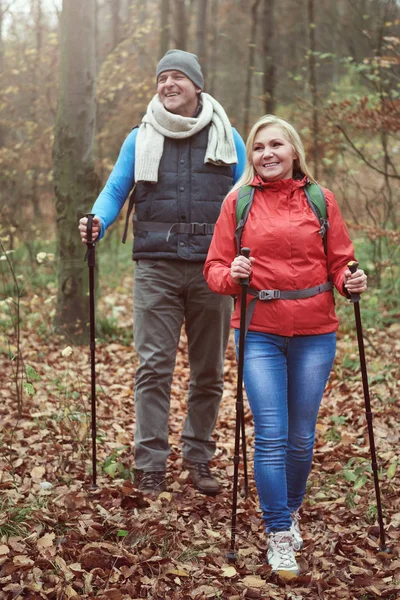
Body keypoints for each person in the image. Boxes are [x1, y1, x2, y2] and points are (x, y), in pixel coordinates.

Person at [204, 115, 367, 575]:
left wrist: (350, 279)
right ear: (251, 156)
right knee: (272, 436)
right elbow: (214, 267)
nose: (267, 153)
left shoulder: (321, 200)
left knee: (301, 438)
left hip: (316, 333)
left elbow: (340, 262)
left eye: (276, 145)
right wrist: (229, 275)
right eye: (259, 147)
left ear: (293, 151)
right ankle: (278, 532)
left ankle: (291, 511)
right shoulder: (238, 202)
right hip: (258, 330)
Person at [78, 49, 246, 497]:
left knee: (207, 371)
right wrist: (98, 219)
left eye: (177, 78)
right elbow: (116, 188)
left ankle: (199, 456)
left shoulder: (228, 137)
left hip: (214, 269)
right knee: (153, 367)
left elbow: (250, 197)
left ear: (197, 86)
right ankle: (149, 462)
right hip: (155, 267)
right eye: (162, 78)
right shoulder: (140, 136)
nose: (168, 84)